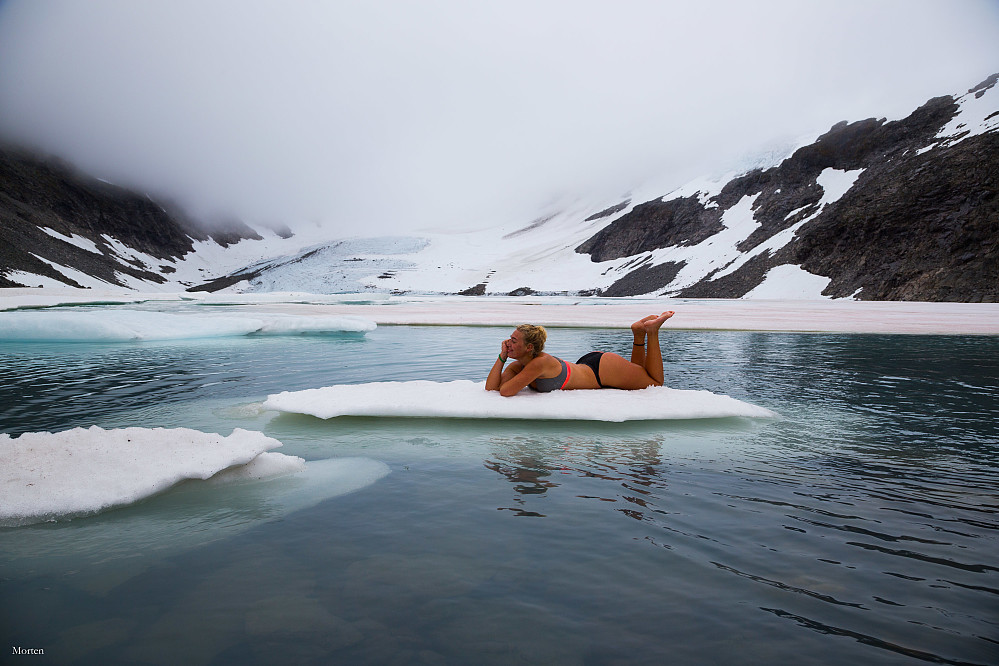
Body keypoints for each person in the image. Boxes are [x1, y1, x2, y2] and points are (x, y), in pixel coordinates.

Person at [485, 312, 675, 396]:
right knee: (639, 373)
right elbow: (492, 389)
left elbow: (506, 391)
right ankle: (639, 334)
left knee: (654, 383)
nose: (508, 343)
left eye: (514, 340)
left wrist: (506, 365)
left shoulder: (539, 363)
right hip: (588, 364)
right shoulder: (519, 365)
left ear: (529, 348)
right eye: (510, 338)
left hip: (602, 371)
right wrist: (502, 357)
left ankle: (652, 332)